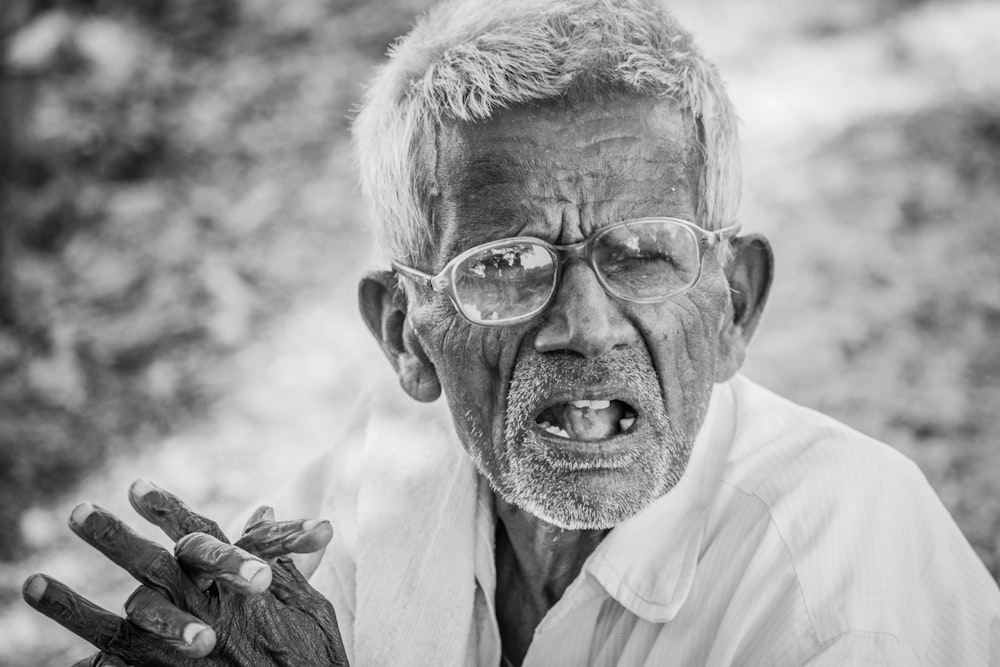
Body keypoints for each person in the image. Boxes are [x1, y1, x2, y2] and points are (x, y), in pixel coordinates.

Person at [23, 0, 1000, 665]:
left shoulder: (837, 575)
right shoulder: (388, 473)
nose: (581, 324)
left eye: (644, 253)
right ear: (407, 335)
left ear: (733, 302)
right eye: (501, 266)